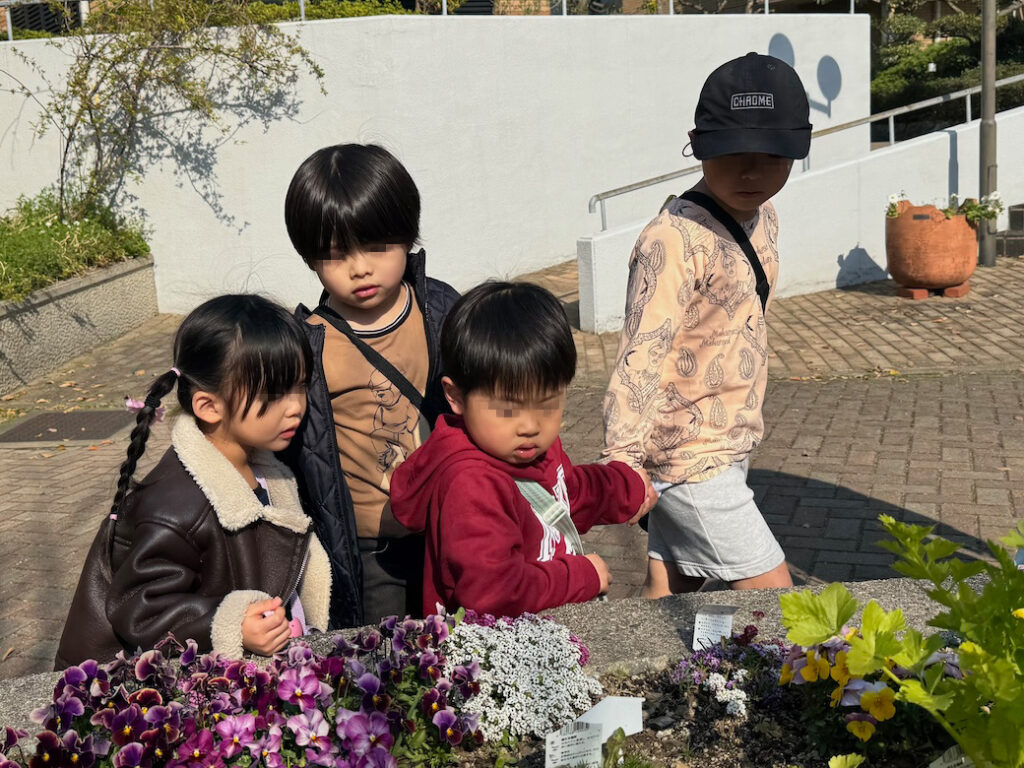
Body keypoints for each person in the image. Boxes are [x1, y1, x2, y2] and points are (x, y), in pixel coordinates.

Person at [602, 52, 812, 598]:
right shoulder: (671, 239)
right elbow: (640, 356)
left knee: (668, 587)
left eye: (771, 156)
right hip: (687, 454)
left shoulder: (764, 215)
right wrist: (622, 463)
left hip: (732, 437)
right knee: (775, 595)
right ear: (697, 145)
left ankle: (634, 656)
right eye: (731, 153)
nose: (751, 172)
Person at [55, 295, 331, 669]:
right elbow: (140, 606)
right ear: (209, 406)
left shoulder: (266, 467)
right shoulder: (176, 507)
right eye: (275, 393)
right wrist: (232, 623)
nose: (296, 406)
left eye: (300, 385)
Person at [390, 282, 658, 617]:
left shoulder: (522, 448)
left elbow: (566, 494)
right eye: (508, 409)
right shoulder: (472, 484)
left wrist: (625, 488)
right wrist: (581, 576)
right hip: (500, 643)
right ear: (456, 397)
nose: (530, 425)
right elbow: (492, 592)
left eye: (547, 403)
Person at [281, 143, 459, 629]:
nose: (359, 267)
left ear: (407, 235)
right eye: (336, 254)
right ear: (310, 258)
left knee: (460, 646)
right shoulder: (308, 345)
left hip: (450, 531)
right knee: (387, 657)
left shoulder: (442, 311)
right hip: (368, 552)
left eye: (377, 246)